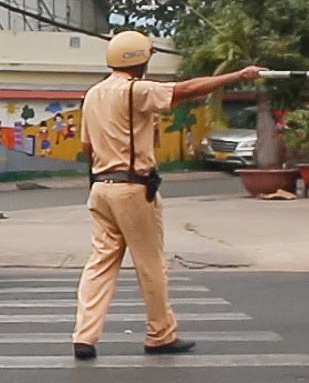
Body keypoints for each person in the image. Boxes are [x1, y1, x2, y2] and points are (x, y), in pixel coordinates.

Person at [72, 31, 264, 360]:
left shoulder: (93, 94)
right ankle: (160, 334)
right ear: (140, 61)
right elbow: (185, 90)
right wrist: (237, 75)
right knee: (150, 264)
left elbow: (87, 147)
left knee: (100, 264)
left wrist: (98, 183)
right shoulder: (136, 90)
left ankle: (84, 335)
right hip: (133, 188)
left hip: (101, 187)